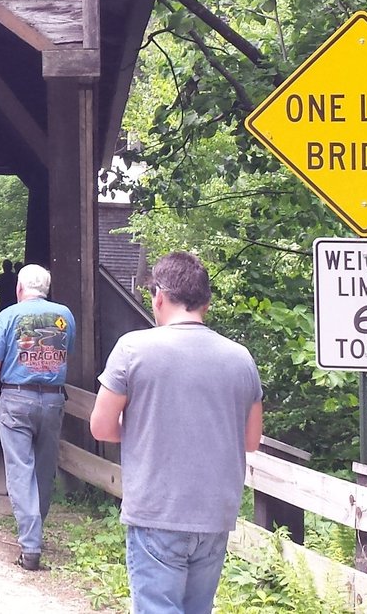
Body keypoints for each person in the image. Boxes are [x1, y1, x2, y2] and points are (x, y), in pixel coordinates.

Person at [89, 252, 263, 614]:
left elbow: (101, 426)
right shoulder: (241, 358)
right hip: (215, 515)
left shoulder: (134, 349)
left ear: (159, 296)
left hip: (158, 510)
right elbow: (251, 441)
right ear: (206, 303)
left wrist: (144, 430)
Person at [0, 263, 75, 572]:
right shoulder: (65, 317)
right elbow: (65, 354)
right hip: (53, 399)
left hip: (17, 397)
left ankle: (30, 545)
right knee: (44, 469)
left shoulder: (8, 316)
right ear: (47, 288)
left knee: (21, 469)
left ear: (19, 288)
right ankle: (36, 532)